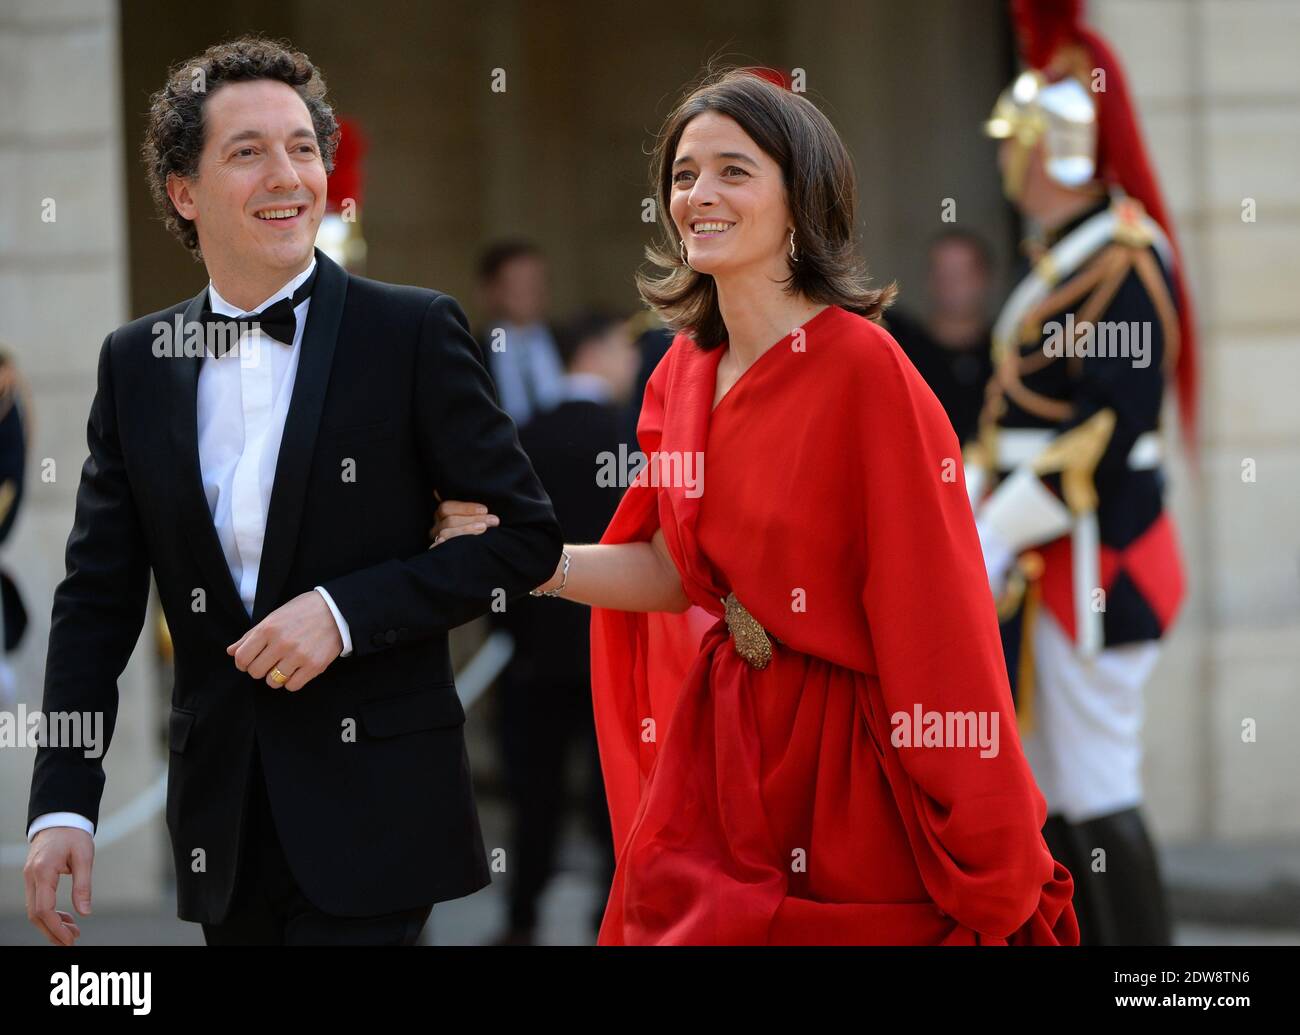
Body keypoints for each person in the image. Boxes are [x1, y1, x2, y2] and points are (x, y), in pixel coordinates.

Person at [432, 68, 1078, 946]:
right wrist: (529, 557)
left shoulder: (868, 372)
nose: (699, 193)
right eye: (684, 173)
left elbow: (939, 617)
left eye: (734, 170)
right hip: (721, 745)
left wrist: (988, 831)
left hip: (846, 764)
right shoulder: (679, 370)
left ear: (800, 198)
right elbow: (674, 569)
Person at [23, 36, 561, 947]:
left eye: (302, 148)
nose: (289, 175)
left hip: (382, 812)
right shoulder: (136, 362)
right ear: (183, 192)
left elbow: (524, 541)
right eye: (248, 151)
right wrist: (61, 805)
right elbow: (96, 601)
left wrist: (344, 613)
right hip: (223, 829)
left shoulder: (414, 331)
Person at [969, 0, 1196, 945]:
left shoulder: (1123, 265)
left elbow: (1104, 432)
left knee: (1096, 782)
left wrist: (995, 525)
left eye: (1022, 145)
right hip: (1054, 549)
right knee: (1057, 786)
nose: (1009, 163)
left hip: (1096, 556)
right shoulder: (1069, 260)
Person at [484, 310, 640, 944]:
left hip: (531, 654)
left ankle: (521, 922)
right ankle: (615, 918)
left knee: (533, 796)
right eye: (625, 349)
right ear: (596, 352)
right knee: (617, 796)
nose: (634, 364)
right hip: (614, 648)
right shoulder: (632, 438)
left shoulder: (522, 437)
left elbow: (501, 547)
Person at [885, 230, 995, 445]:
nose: (950, 283)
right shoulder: (899, 352)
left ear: (986, 278)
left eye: (962, 273)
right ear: (928, 279)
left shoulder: (1009, 356)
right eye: (941, 272)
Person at [475, 240, 567, 427]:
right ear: (490, 291)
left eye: (536, 281)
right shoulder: (474, 353)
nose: (530, 291)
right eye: (517, 282)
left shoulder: (569, 343)